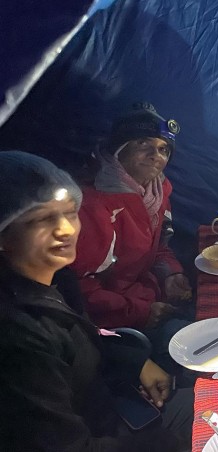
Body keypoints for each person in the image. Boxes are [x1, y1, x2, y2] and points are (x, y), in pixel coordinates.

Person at [0, 151, 192, 451]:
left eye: (70, 213)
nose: (66, 229)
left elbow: (86, 337)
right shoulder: (18, 335)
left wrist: (136, 363)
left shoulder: (59, 279)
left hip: (115, 407)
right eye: (42, 219)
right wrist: (173, 443)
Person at [71, 102, 193, 371]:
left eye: (163, 149)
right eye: (142, 144)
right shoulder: (94, 205)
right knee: (193, 347)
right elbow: (78, 290)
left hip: (147, 297)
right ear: (119, 150)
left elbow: (159, 248)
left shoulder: (156, 192)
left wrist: (171, 274)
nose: (155, 155)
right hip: (109, 328)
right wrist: (140, 312)